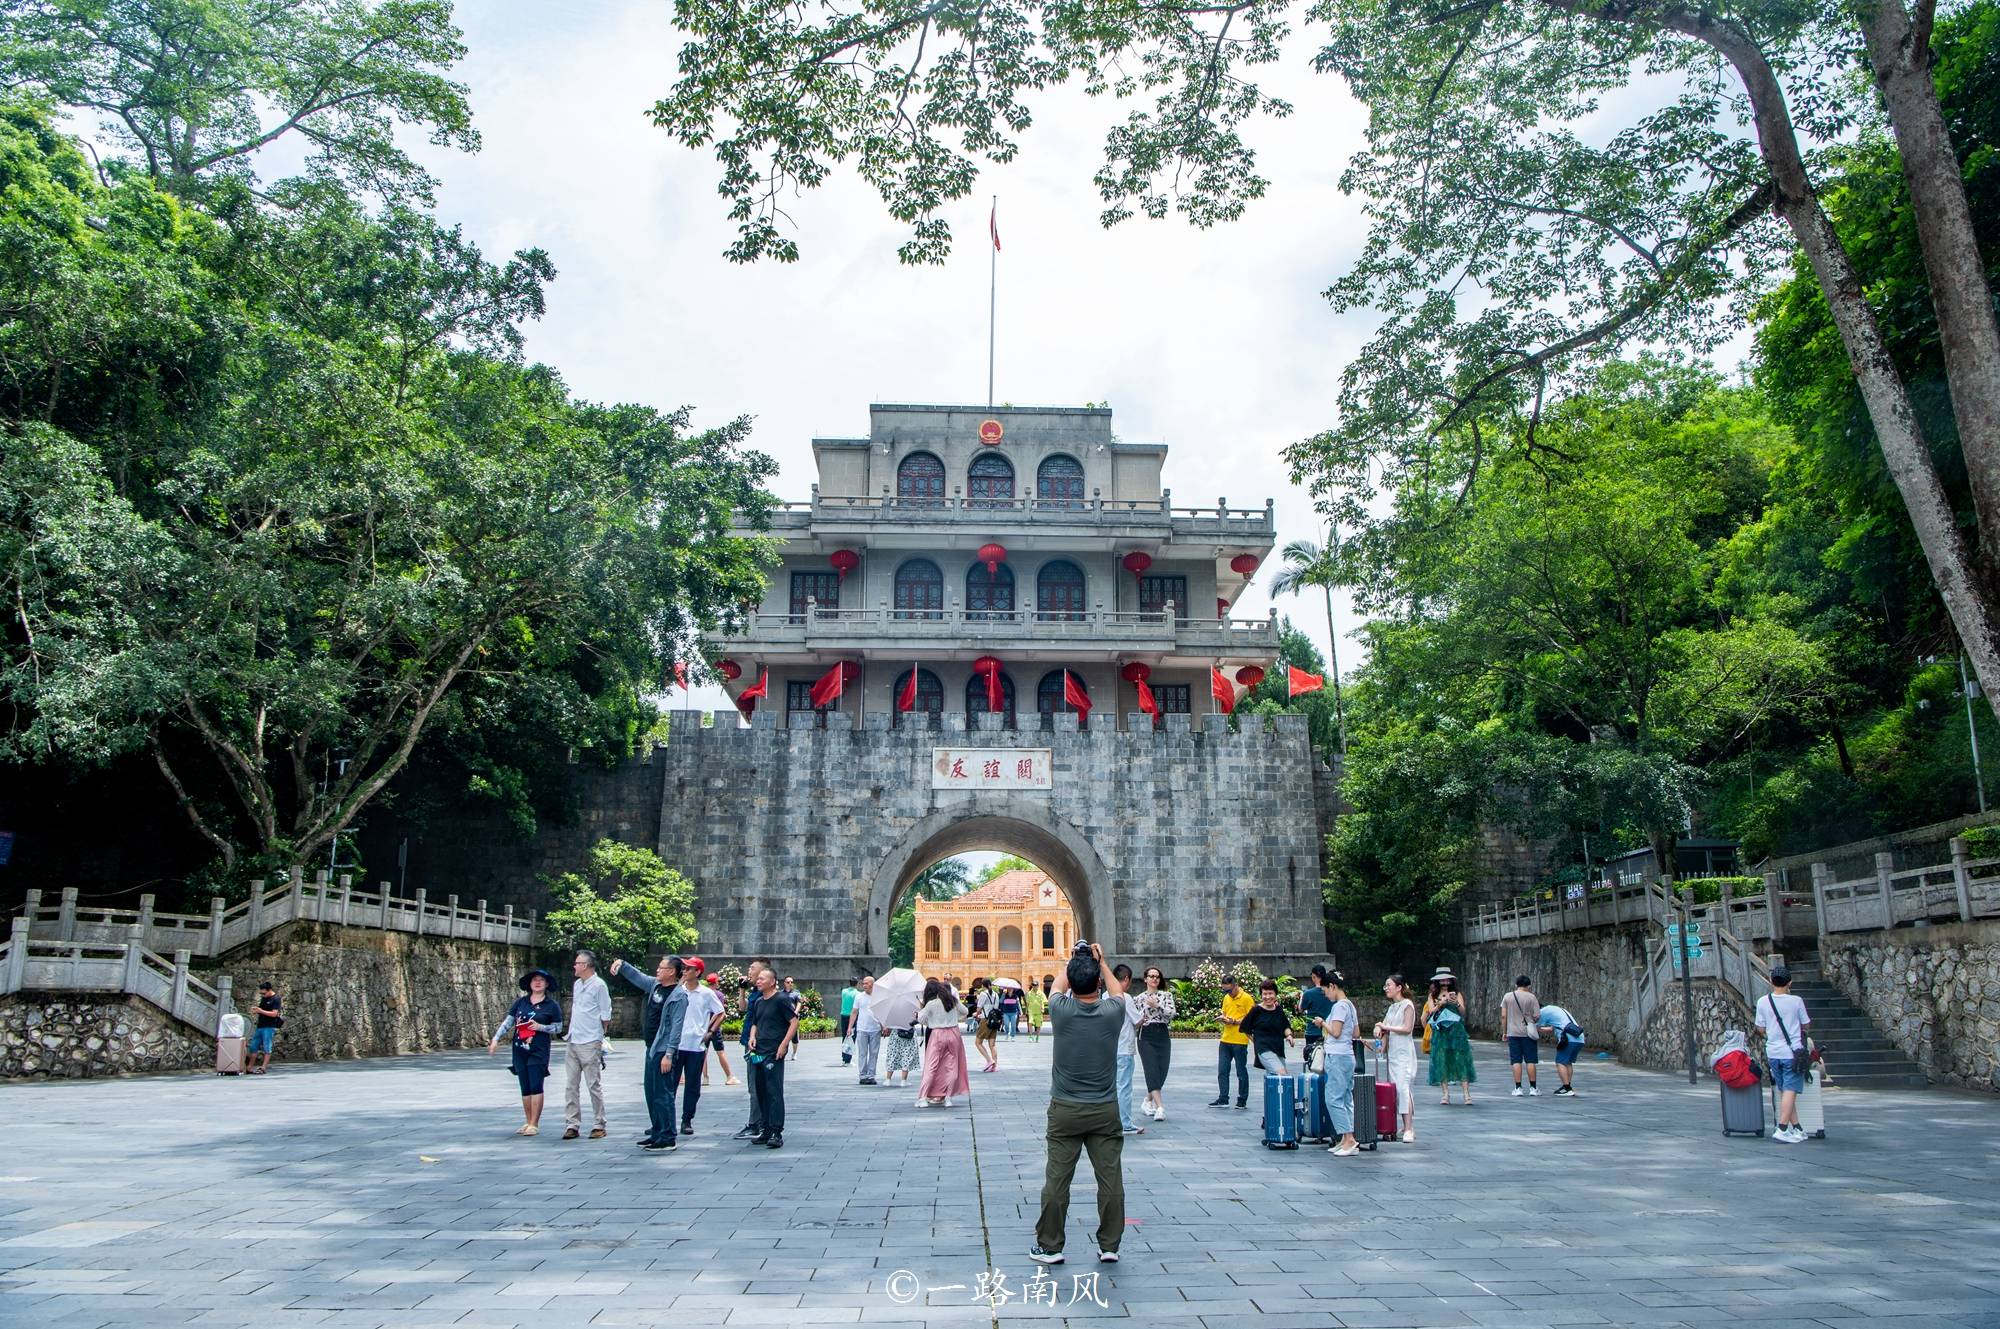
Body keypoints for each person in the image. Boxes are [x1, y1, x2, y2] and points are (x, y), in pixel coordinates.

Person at [1030, 943, 1128, 1266]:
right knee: (1110, 1178)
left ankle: (1050, 1245)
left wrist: (1073, 961)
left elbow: (1058, 985)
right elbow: (1118, 991)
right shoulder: (1113, 1012)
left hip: (1065, 1109)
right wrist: (1101, 962)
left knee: (1057, 1179)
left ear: (1072, 984)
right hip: (1104, 1108)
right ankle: (1110, 1244)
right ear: (1098, 983)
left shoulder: (1060, 1010)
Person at [608, 954, 687, 1149]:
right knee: (651, 1092)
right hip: (651, 1047)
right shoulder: (655, 986)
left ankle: (668, 1137)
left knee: (663, 1093)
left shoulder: (678, 995)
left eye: (662, 967)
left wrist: (669, 1054)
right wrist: (623, 964)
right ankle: (657, 1130)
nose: (658, 970)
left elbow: (676, 1028)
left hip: (663, 1050)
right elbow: (638, 977)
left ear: (671, 972)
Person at [489, 967, 562, 1136]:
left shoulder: (551, 1006)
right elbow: (508, 1022)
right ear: (530, 984)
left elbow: (558, 1027)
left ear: (546, 984)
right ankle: (528, 1120)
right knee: (525, 1086)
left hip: (538, 1049)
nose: (537, 983)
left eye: (541, 980)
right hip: (519, 1049)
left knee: (536, 1084)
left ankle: (534, 1123)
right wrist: (495, 1039)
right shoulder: (521, 1002)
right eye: (534, 980)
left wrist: (541, 1027)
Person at [1754, 968, 1813, 1144]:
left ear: (1771, 981)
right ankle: (1782, 1128)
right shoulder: (1796, 1001)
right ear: (1789, 983)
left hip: (1773, 1051)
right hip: (1792, 1053)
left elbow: (1761, 1028)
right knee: (1790, 1090)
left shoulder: (1763, 1001)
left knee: (1785, 1090)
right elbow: (1806, 1024)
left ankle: (1798, 1129)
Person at [745, 966, 799, 1148]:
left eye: (762, 978)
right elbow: (755, 1023)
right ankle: (765, 1128)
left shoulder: (781, 1000)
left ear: (772, 981)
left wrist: (784, 1045)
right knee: (759, 1089)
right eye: (757, 978)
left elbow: (794, 1022)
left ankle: (776, 1131)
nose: (758, 981)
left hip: (773, 1052)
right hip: (758, 1052)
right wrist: (752, 1037)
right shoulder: (759, 1001)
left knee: (773, 1091)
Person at [563, 950, 613, 1141]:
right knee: (571, 1085)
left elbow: (605, 1013)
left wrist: (600, 1037)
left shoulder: (599, 985)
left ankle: (599, 1122)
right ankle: (572, 1123)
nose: (574, 966)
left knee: (593, 1084)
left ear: (585, 965)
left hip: (590, 1040)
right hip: (573, 1038)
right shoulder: (577, 984)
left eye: (577, 963)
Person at [673, 958, 726, 1134]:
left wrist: (710, 1032)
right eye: (684, 968)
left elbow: (720, 1013)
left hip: (695, 1045)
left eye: (689, 968)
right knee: (670, 1084)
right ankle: (665, 1119)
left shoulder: (706, 993)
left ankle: (687, 1120)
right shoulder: (678, 991)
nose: (685, 971)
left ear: (698, 972)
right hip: (676, 1044)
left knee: (693, 1085)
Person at [1314, 971, 1361, 1156]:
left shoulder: (1340, 1006)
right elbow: (1356, 1033)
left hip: (1337, 1056)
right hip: (1348, 1055)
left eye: (1325, 990)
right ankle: (1345, 1140)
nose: (1326, 995)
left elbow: (1335, 1032)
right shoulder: (1350, 1005)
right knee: (1346, 1098)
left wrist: (1323, 1023)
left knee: (1333, 1098)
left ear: (1332, 986)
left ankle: (1348, 1138)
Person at [1374, 974, 1419, 1143]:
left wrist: (1385, 1026)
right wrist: (1379, 1032)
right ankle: (1405, 1125)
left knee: (1403, 1088)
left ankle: (1409, 1128)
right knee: (1397, 1090)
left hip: (1404, 1054)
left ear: (1399, 987)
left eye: (1389, 985)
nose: (1386, 988)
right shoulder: (1392, 1008)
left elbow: (1407, 1028)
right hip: (1393, 1054)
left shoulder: (1407, 1005)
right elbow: (1384, 1029)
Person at [917, 978, 972, 1106]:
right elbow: (966, 1011)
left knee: (931, 1066)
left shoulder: (931, 1004)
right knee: (952, 1066)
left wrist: (922, 1011)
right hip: (953, 1033)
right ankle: (948, 1097)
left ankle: (923, 1098)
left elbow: (921, 1019)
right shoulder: (952, 1000)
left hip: (937, 1034)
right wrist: (955, 1018)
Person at [1131, 966, 1176, 1121]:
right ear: (1145, 979)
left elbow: (1171, 1015)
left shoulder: (1166, 996)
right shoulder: (1137, 999)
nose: (1154, 979)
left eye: (1157, 976)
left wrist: (1157, 1006)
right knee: (1151, 1070)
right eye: (1151, 976)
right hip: (1146, 1034)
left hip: (1162, 1033)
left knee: (1162, 1071)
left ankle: (1147, 1100)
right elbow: (1133, 1019)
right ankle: (1160, 1107)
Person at [734, 959, 772, 1140]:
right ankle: (758, 1122)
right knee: (754, 1084)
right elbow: (743, 1008)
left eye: (753, 968)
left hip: (758, 1046)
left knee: (756, 1085)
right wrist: (742, 990)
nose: (749, 970)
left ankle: (756, 1124)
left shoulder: (767, 995)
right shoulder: (755, 993)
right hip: (750, 1043)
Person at [1425, 969, 1475, 1105]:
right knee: (1442, 1061)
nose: (1445, 982)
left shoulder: (1457, 994)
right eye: (1442, 980)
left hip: (1456, 1031)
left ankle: (1466, 1094)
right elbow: (1430, 1011)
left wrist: (1455, 1003)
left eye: (1447, 980)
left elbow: (1463, 1012)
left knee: (1461, 1061)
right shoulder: (1433, 995)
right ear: (1437, 981)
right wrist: (1440, 1003)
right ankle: (1445, 1094)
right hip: (1441, 1032)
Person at [1110, 964, 1144, 1136]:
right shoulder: (1125, 997)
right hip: (1124, 1048)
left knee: (1112, 1087)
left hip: (1108, 1050)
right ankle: (1125, 1124)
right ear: (1125, 979)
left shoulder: (1104, 996)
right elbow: (1137, 1020)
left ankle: (1111, 1122)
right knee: (1124, 1087)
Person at [1210, 975, 1253, 1108]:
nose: (1227, 993)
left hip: (1240, 1040)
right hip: (1226, 1039)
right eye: (1224, 990)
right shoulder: (1226, 998)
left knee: (1241, 1071)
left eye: (1229, 990)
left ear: (1236, 985)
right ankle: (1223, 1098)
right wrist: (1222, 1018)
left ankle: (1242, 1099)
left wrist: (1234, 1021)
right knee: (1222, 1070)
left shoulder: (1246, 998)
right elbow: (1225, 1013)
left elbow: (1251, 1019)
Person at [1239, 979, 1293, 1076]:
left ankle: (1269, 1091)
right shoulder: (1256, 1010)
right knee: (1282, 1074)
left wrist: (1289, 1036)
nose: (1267, 997)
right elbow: (1245, 1028)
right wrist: (1256, 1042)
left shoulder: (1278, 1010)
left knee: (1274, 1078)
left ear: (1275, 994)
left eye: (1270, 993)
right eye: (1265, 994)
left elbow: (1285, 1025)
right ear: (1261, 995)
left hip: (1278, 1049)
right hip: (1263, 1049)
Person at [1534, 1000, 1585, 1096]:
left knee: (1560, 1062)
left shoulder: (1543, 1011)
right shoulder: (1555, 1009)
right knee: (1567, 1062)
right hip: (1579, 1038)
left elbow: (1532, 1024)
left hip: (1568, 1039)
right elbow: (1551, 1029)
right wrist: (1539, 1029)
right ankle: (1567, 1086)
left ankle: (1567, 1088)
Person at [1502, 976, 1542, 1096]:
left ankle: (1518, 1088)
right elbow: (1537, 1016)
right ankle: (1533, 1088)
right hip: (1528, 1033)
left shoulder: (1507, 996)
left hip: (1512, 1033)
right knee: (1530, 1060)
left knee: (1516, 1060)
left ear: (1516, 985)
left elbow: (1503, 1016)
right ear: (1529, 986)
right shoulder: (1532, 997)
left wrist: (1504, 1032)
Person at [702, 973, 738, 1087]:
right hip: (714, 1028)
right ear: (716, 982)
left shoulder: (703, 993)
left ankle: (705, 1078)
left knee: (704, 1053)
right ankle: (729, 1076)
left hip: (703, 1028)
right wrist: (711, 1024)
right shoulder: (719, 994)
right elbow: (719, 1012)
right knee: (720, 1052)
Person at [1299, 965, 1333, 1071]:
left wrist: (1301, 997)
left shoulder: (1308, 994)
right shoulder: (1332, 993)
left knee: (1314, 1063)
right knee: (1328, 1063)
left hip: (1313, 1032)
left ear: (1314, 976)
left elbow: (1301, 1009)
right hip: (1328, 1031)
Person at [851, 974, 882, 1084]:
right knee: (862, 1053)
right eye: (863, 983)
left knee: (874, 1053)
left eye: (866, 983)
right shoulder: (859, 996)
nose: (864, 985)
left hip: (875, 1029)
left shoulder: (879, 996)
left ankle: (871, 1076)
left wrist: (885, 1026)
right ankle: (863, 1076)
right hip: (862, 1029)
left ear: (873, 985)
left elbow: (883, 1013)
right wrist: (850, 1027)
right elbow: (854, 1012)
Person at [248, 981, 282, 1074]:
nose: (263, 995)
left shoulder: (276, 998)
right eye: (261, 993)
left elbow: (275, 1014)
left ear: (269, 990)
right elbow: (261, 1009)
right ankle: (250, 1067)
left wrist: (261, 1011)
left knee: (267, 1047)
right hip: (260, 1025)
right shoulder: (264, 998)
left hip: (269, 1026)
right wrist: (256, 1010)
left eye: (264, 993)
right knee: (253, 1046)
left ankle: (263, 1067)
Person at [884, 1004, 922, 1086]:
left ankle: (888, 1079)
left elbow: (889, 1021)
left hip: (896, 1033)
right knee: (907, 1055)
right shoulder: (912, 1006)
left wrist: (887, 1028)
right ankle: (903, 1081)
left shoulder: (893, 1007)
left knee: (892, 1054)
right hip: (909, 1033)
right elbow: (919, 1019)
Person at [971, 977, 1001, 1072]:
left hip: (985, 1020)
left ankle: (989, 1060)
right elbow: (996, 1007)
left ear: (982, 985)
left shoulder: (983, 994)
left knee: (978, 1042)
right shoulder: (996, 994)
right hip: (994, 1021)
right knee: (992, 1044)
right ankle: (995, 1066)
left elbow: (979, 1008)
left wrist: (976, 1014)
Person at [838, 977, 859, 1047]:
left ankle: (844, 1054)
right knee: (851, 1035)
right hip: (853, 1016)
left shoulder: (843, 991)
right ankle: (848, 1055)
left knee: (844, 1035)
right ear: (857, 984)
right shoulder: (858, 994)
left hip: (843, 1015)